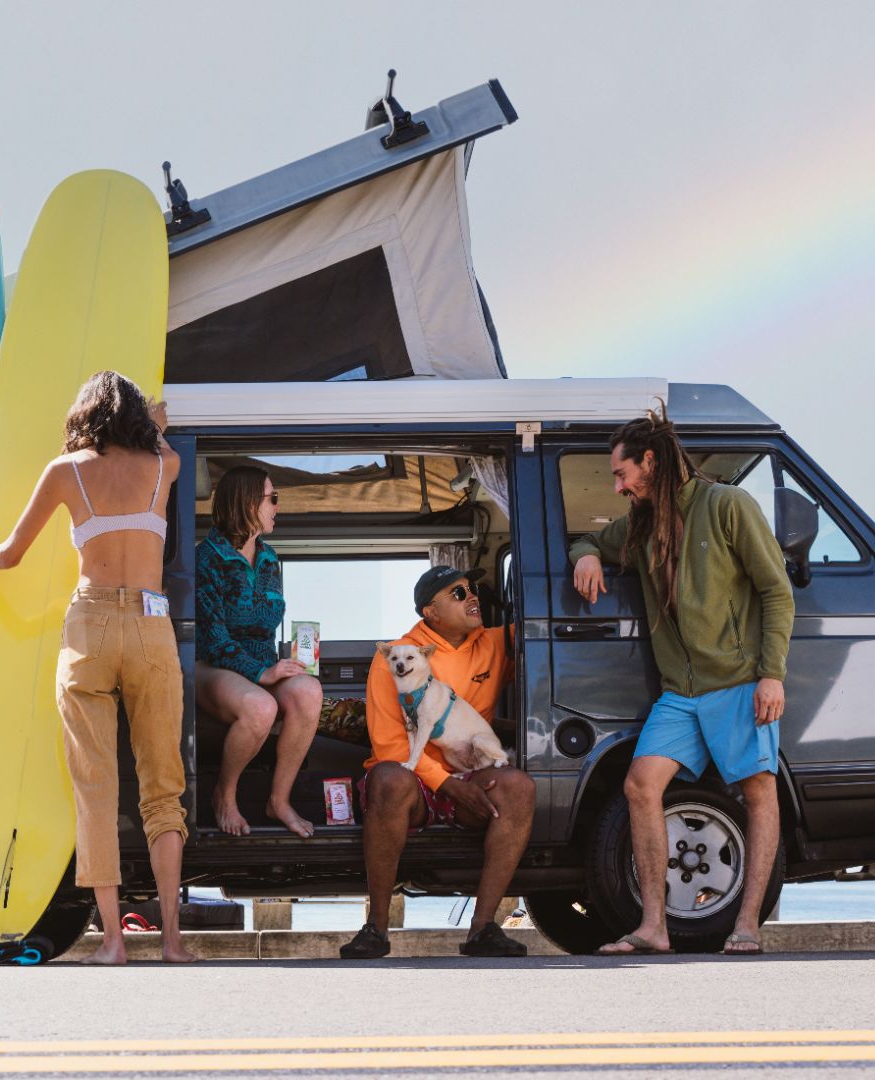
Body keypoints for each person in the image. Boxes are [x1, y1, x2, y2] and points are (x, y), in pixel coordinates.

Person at [0, 370, 193, 965]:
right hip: (149, 625)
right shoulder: (165, 465)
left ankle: (113, 942)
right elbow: (161, 443)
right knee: (163, 788)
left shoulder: (66, 472)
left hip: (89, 626)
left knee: (95, 789)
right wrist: (156, 427)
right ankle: (171, 942)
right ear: (137, 415)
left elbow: (7, 556)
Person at [570, 405, 794, 956]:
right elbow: (589, 538)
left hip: (738, 682)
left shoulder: (727, 506)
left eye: (622, 474)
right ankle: (654, 927)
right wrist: (586, 556)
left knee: (757, 791)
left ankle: (746, 925)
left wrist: (771, 675)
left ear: (650, 461)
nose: (618, 486)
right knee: (640, 786)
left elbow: (776, 590)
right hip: (681, 695)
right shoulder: (641, 524)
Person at [339, 565, 535, 960]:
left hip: (470, 772)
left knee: (519, 787)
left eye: (472, 589)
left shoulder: (496, 643)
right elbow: (392, 746)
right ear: (430, 611)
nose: (472, 597)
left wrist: (588, 560)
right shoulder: (396, 655)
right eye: (458, 593)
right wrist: (449, 786)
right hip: (414, 782)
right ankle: (376, 928)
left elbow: (552, 634)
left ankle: (483, 929)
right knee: (388, 779)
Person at [194, 466, 321, 837]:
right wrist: (262, 673)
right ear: (247, 501)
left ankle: (278, 801)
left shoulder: (269, 558)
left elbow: (266, 619)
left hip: (261, 663)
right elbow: (215, 636)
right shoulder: (208, 557)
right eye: (273, 498)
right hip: (211, 666)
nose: (278, 507)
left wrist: (292, 658)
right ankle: (224, 795)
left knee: (309, 691)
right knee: (261, 706)